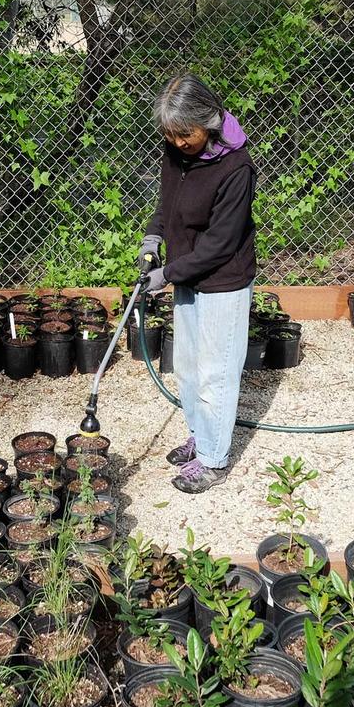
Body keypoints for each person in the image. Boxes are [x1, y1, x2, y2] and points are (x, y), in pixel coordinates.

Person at [139, 73, 257, 494]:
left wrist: (167, 274)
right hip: (187, 273)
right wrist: (154, 234)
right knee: (188, 365)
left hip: (223, 279)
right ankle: (199, 436)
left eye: (184, 134)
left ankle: (214, 459)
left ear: (207, 122)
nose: (176, 143)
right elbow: (167, 204)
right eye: (169, 135)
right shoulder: (176, 151)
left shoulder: (236, 167)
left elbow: (222, 243)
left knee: (216, 373)